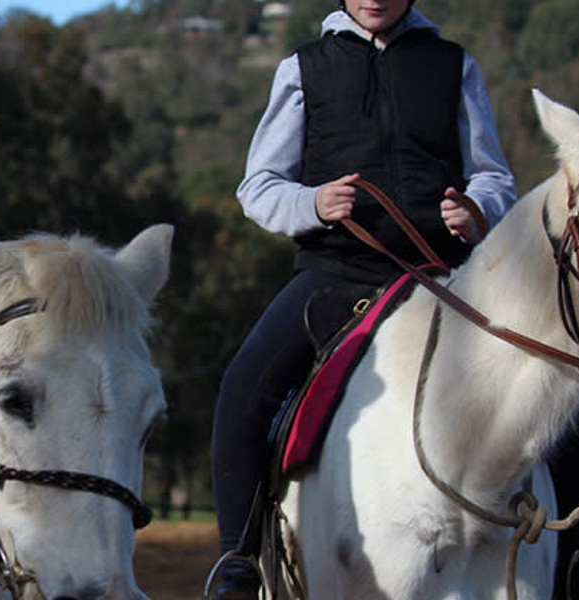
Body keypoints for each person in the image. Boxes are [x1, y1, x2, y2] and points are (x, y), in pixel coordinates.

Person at [210, 1, 516, 597]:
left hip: (444, 278)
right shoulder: (301, 68)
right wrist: (314, 204)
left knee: (561, 388)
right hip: (336, 273)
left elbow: (493, 175)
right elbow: (259, 186)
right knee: (242, 391)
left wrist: (479, 210)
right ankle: (237, 563)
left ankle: (574, 556)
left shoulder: (455, 66)